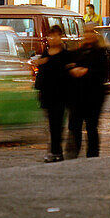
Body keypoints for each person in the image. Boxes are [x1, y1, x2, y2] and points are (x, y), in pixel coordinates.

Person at [66, 25, 110, 158]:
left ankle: (92, 155)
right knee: (74, 126)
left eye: (91, 32)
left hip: (94, 97)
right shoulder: (78, 51)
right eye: (86, 31)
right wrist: (73, 70)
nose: (88, 34)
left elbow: (102, 73)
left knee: (91, 127)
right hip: (78, 96)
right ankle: (73, 153)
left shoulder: (101, 52)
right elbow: (69, 66)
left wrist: (86, 71)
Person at [34, 25, 74, 163]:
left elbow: (68, 75)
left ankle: (57, 152)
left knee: (57, 124)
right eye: (50, 36)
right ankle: (54, 151)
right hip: (47, 95)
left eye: (55, 35)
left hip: (61, 95)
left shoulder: (66, 55)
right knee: (51, 125)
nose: (52, 39)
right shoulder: (46, 53)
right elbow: (42, 74)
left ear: (60, 36)